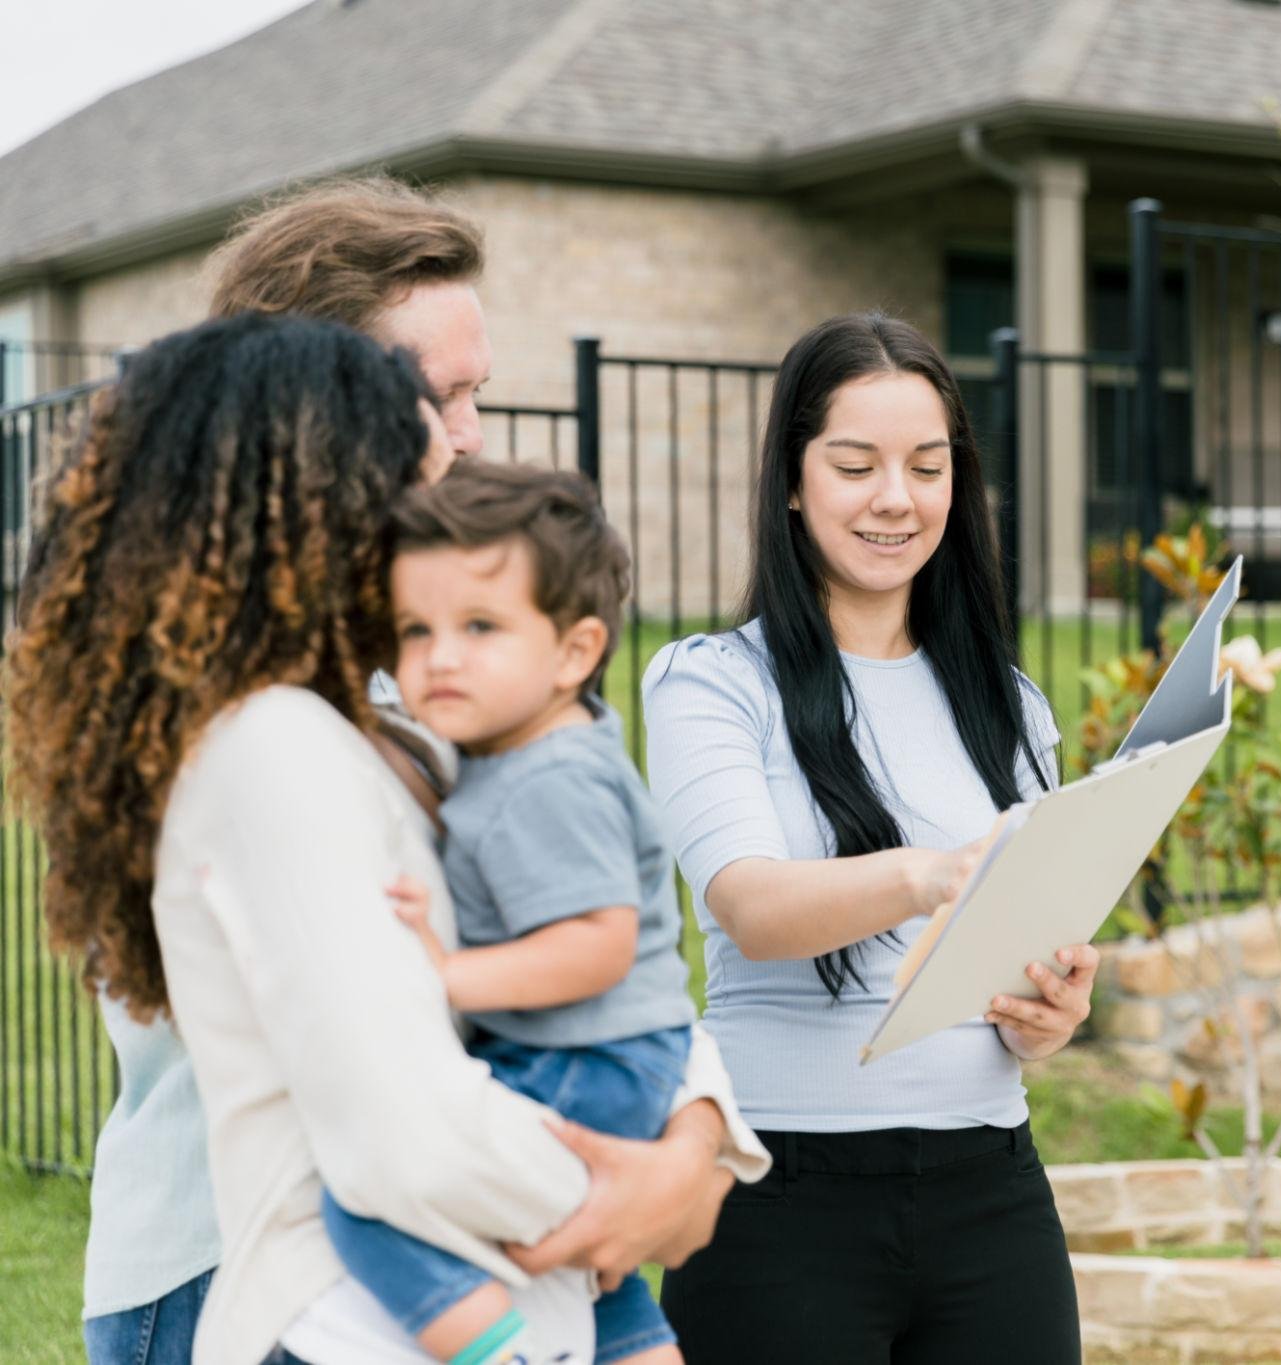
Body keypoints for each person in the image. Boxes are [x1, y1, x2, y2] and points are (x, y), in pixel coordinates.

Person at [70, 177, 758, 1364]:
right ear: (310, 414)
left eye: (477, 389)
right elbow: (382, 1086)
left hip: (459, 1239)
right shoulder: (243, 714)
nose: (471, 433)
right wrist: (620, 1190)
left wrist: (692, 1142)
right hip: (248, 1266)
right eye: (436, 397)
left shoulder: (455, 663)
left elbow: (604, 922)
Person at [644, 313, 1096, 1362]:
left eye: (927, 467)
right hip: (777, 1201)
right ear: (792, 483)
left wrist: (1049, 1010)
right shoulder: (712, 683)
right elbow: (752, 909)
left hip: (990, 1191)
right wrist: (928, 876)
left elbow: (1020, 951)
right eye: (856, 465)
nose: (896, 498)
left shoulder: (1010, 706)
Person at [322, 459, 691, 1365]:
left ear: (574, 650)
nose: (440, 656)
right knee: (592, 1269)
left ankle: (495, 1352)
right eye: (417, 629)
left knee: (369, 1191)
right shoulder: (524, 752)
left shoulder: (549, 779)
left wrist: (446, 972)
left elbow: (597, 945)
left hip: (587, 1063)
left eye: (480, 626)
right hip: (607, 1059)